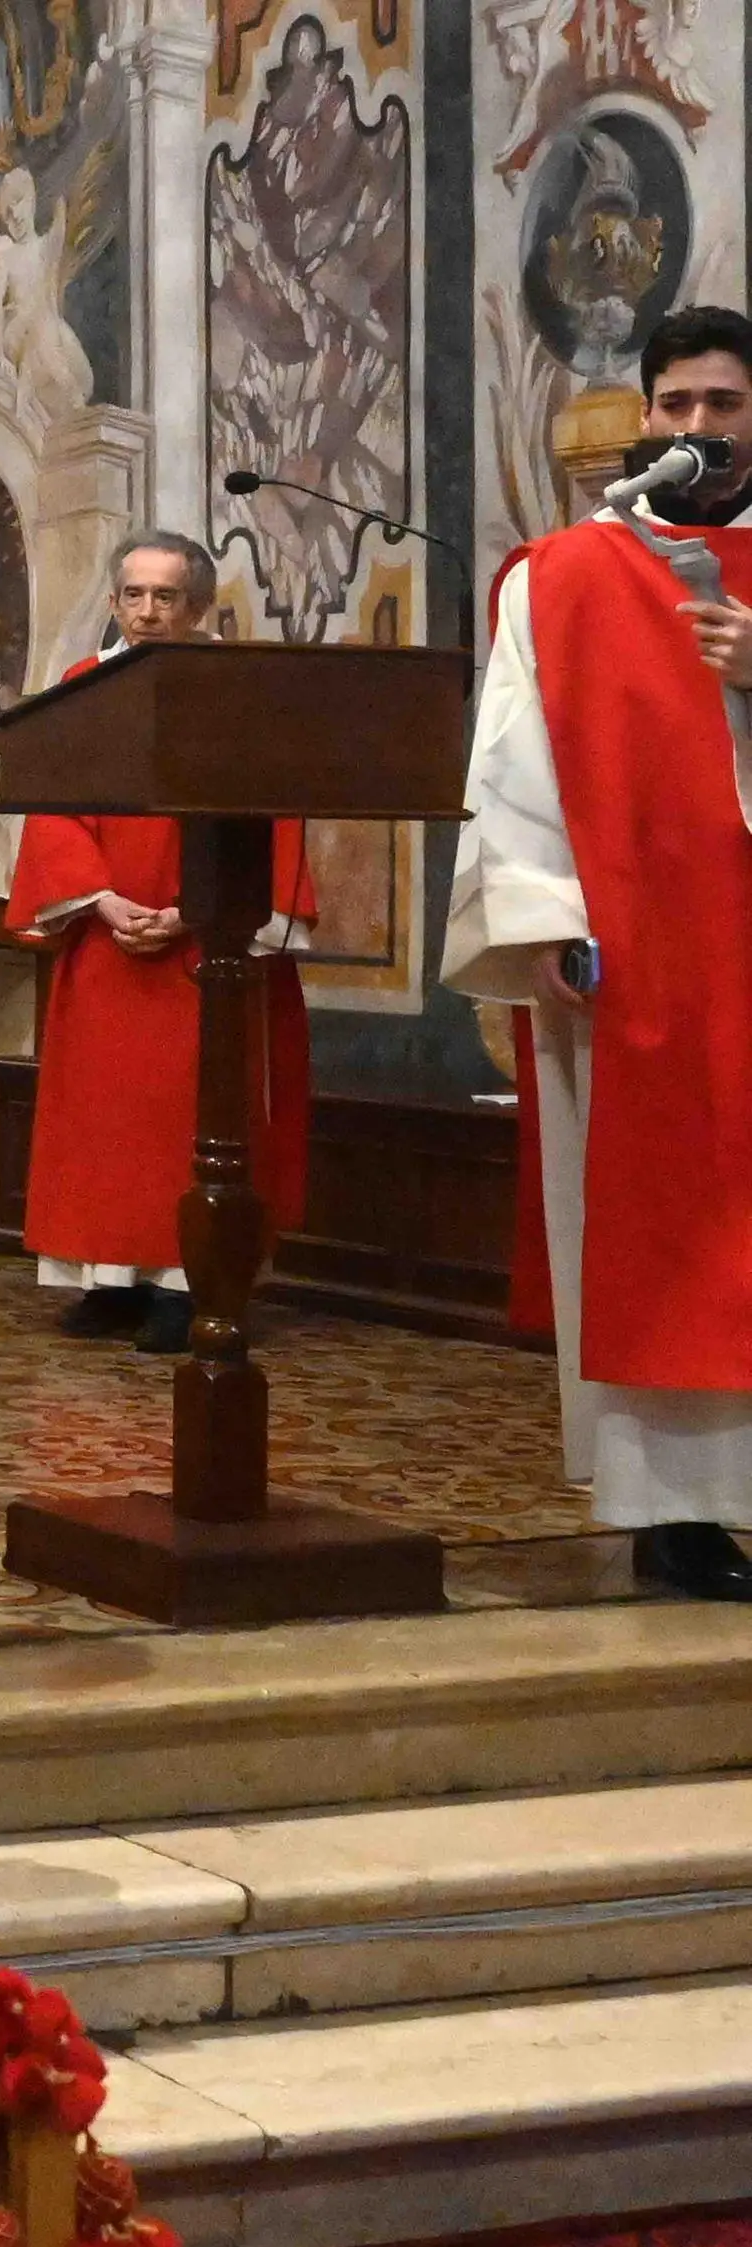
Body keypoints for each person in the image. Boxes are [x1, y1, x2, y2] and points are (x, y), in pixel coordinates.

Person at [445, 303, 752, 1602]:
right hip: (645, 961)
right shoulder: (564, 576)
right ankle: (675, 1510)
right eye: (675, 404)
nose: (697, 426)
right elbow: (509, 761)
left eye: (723, 404)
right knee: (665, 1232)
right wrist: (543, 921)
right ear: (646, 414)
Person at [6, 531, 315, 1354]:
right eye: (133, 595)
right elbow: (52, 804)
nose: (146, 612)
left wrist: (195, 911)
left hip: (208, 943)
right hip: (107, 936)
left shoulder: (238, 695)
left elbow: (271, 813)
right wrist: (102, 900)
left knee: (191, 1126)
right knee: (104, 1126)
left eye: (165, 596)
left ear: (199, 606)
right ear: (113, 602)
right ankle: (108, 1282)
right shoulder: (81, 688)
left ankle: (189, 1286)